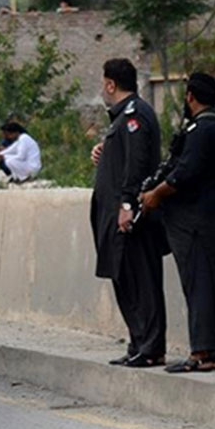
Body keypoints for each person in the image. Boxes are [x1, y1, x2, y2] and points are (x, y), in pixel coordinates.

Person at [139, 72, 215, 373]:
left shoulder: (203, 130)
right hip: (211, 215)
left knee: (202, 285)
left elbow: (185, 171)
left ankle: (203, 352)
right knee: (210, 285)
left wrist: (156, 193)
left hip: (200, 220)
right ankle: (213, 352)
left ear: (190, 97)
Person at [90, 58, 167, 368]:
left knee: (141, 281)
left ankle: (150, 347)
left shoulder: (135, 115)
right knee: (126, 280)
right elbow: (123, 157)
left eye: (103, 83)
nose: (102, 88)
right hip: (117, 219)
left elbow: (136, 164)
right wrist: (104, 150)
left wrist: (126, 204)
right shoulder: (121, 119)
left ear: (111, 84)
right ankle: (139, 343)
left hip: (130, 219)